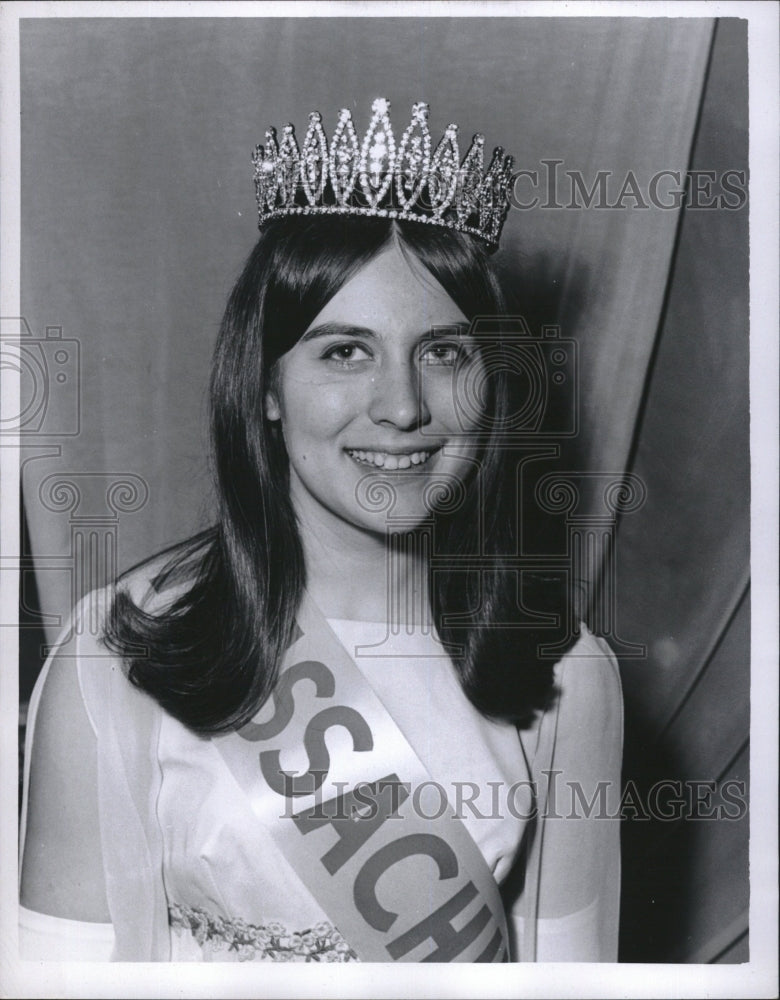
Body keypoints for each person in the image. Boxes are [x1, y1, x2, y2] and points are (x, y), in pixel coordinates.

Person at [19, 98, 623, 963]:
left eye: (444, 351)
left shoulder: (566, 674)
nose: (404, 405)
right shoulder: (123, 651)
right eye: (346, 351)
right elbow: (57, 977)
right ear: (265, 386)